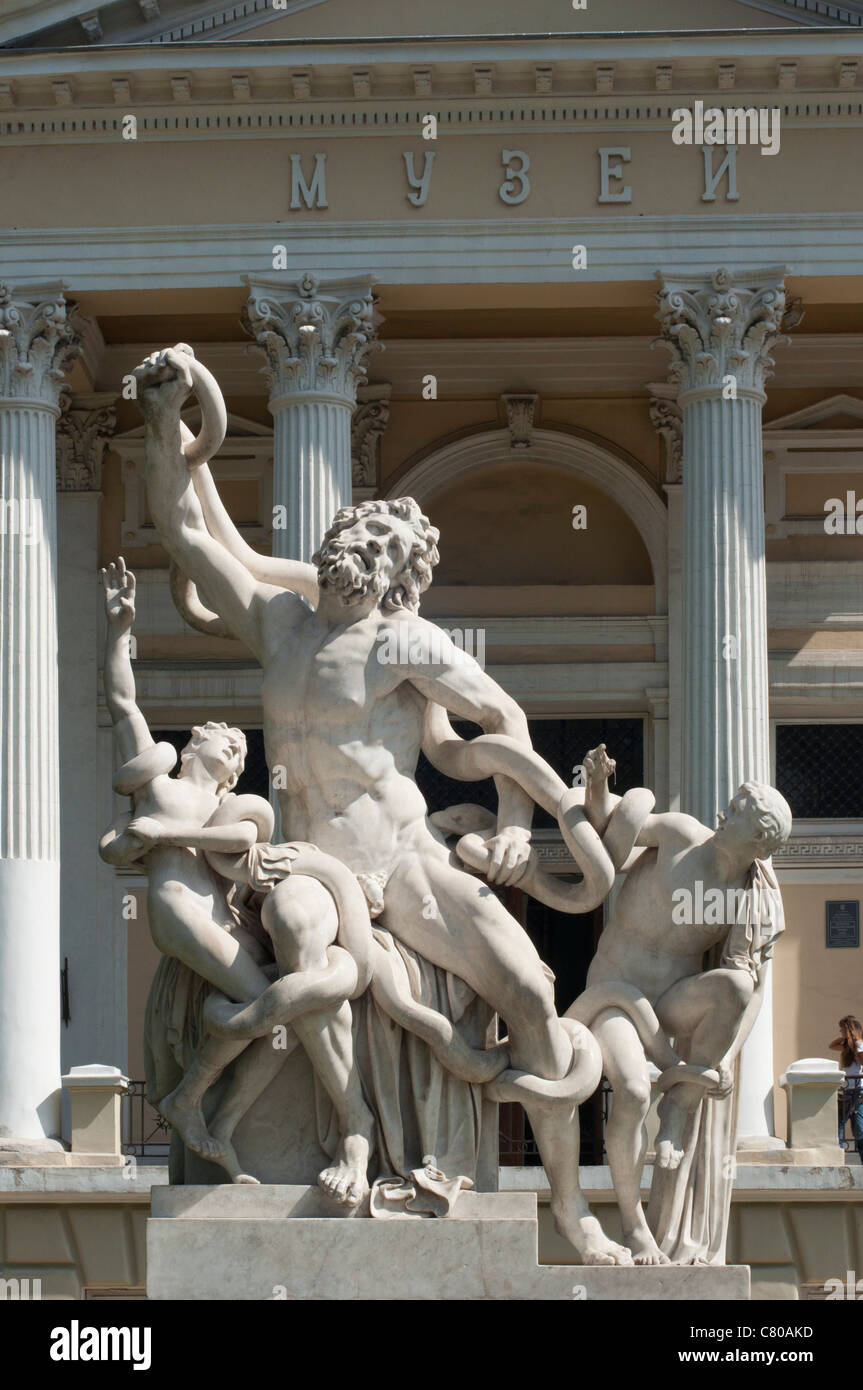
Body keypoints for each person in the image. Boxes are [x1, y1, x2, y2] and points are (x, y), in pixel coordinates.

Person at [133, 342, 631, 1266]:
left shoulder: (404, 642)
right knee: (301, 945)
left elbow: (501, 718)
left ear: (397, 578)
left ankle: (572, 1209)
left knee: (529, 988)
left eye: (379, 557)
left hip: (401, 859)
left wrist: (519, 830)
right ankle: (338, 1133)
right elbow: (184, 530)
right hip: (311, 864)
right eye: (352, 547)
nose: (357, 561)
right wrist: (166, 419)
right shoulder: (274, 622)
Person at [830, 1015, 863, 1162]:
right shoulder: (847, 1046)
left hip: (857, 1089)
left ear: (848, 1028)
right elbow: (831, 1045)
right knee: (840, 1122)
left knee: (858, 1126)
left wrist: (853, 1040)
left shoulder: (859, 1045)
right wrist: (846, 1039)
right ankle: (840, 1151)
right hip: (849, 1089)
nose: (840, 1030)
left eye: (842, 1028)